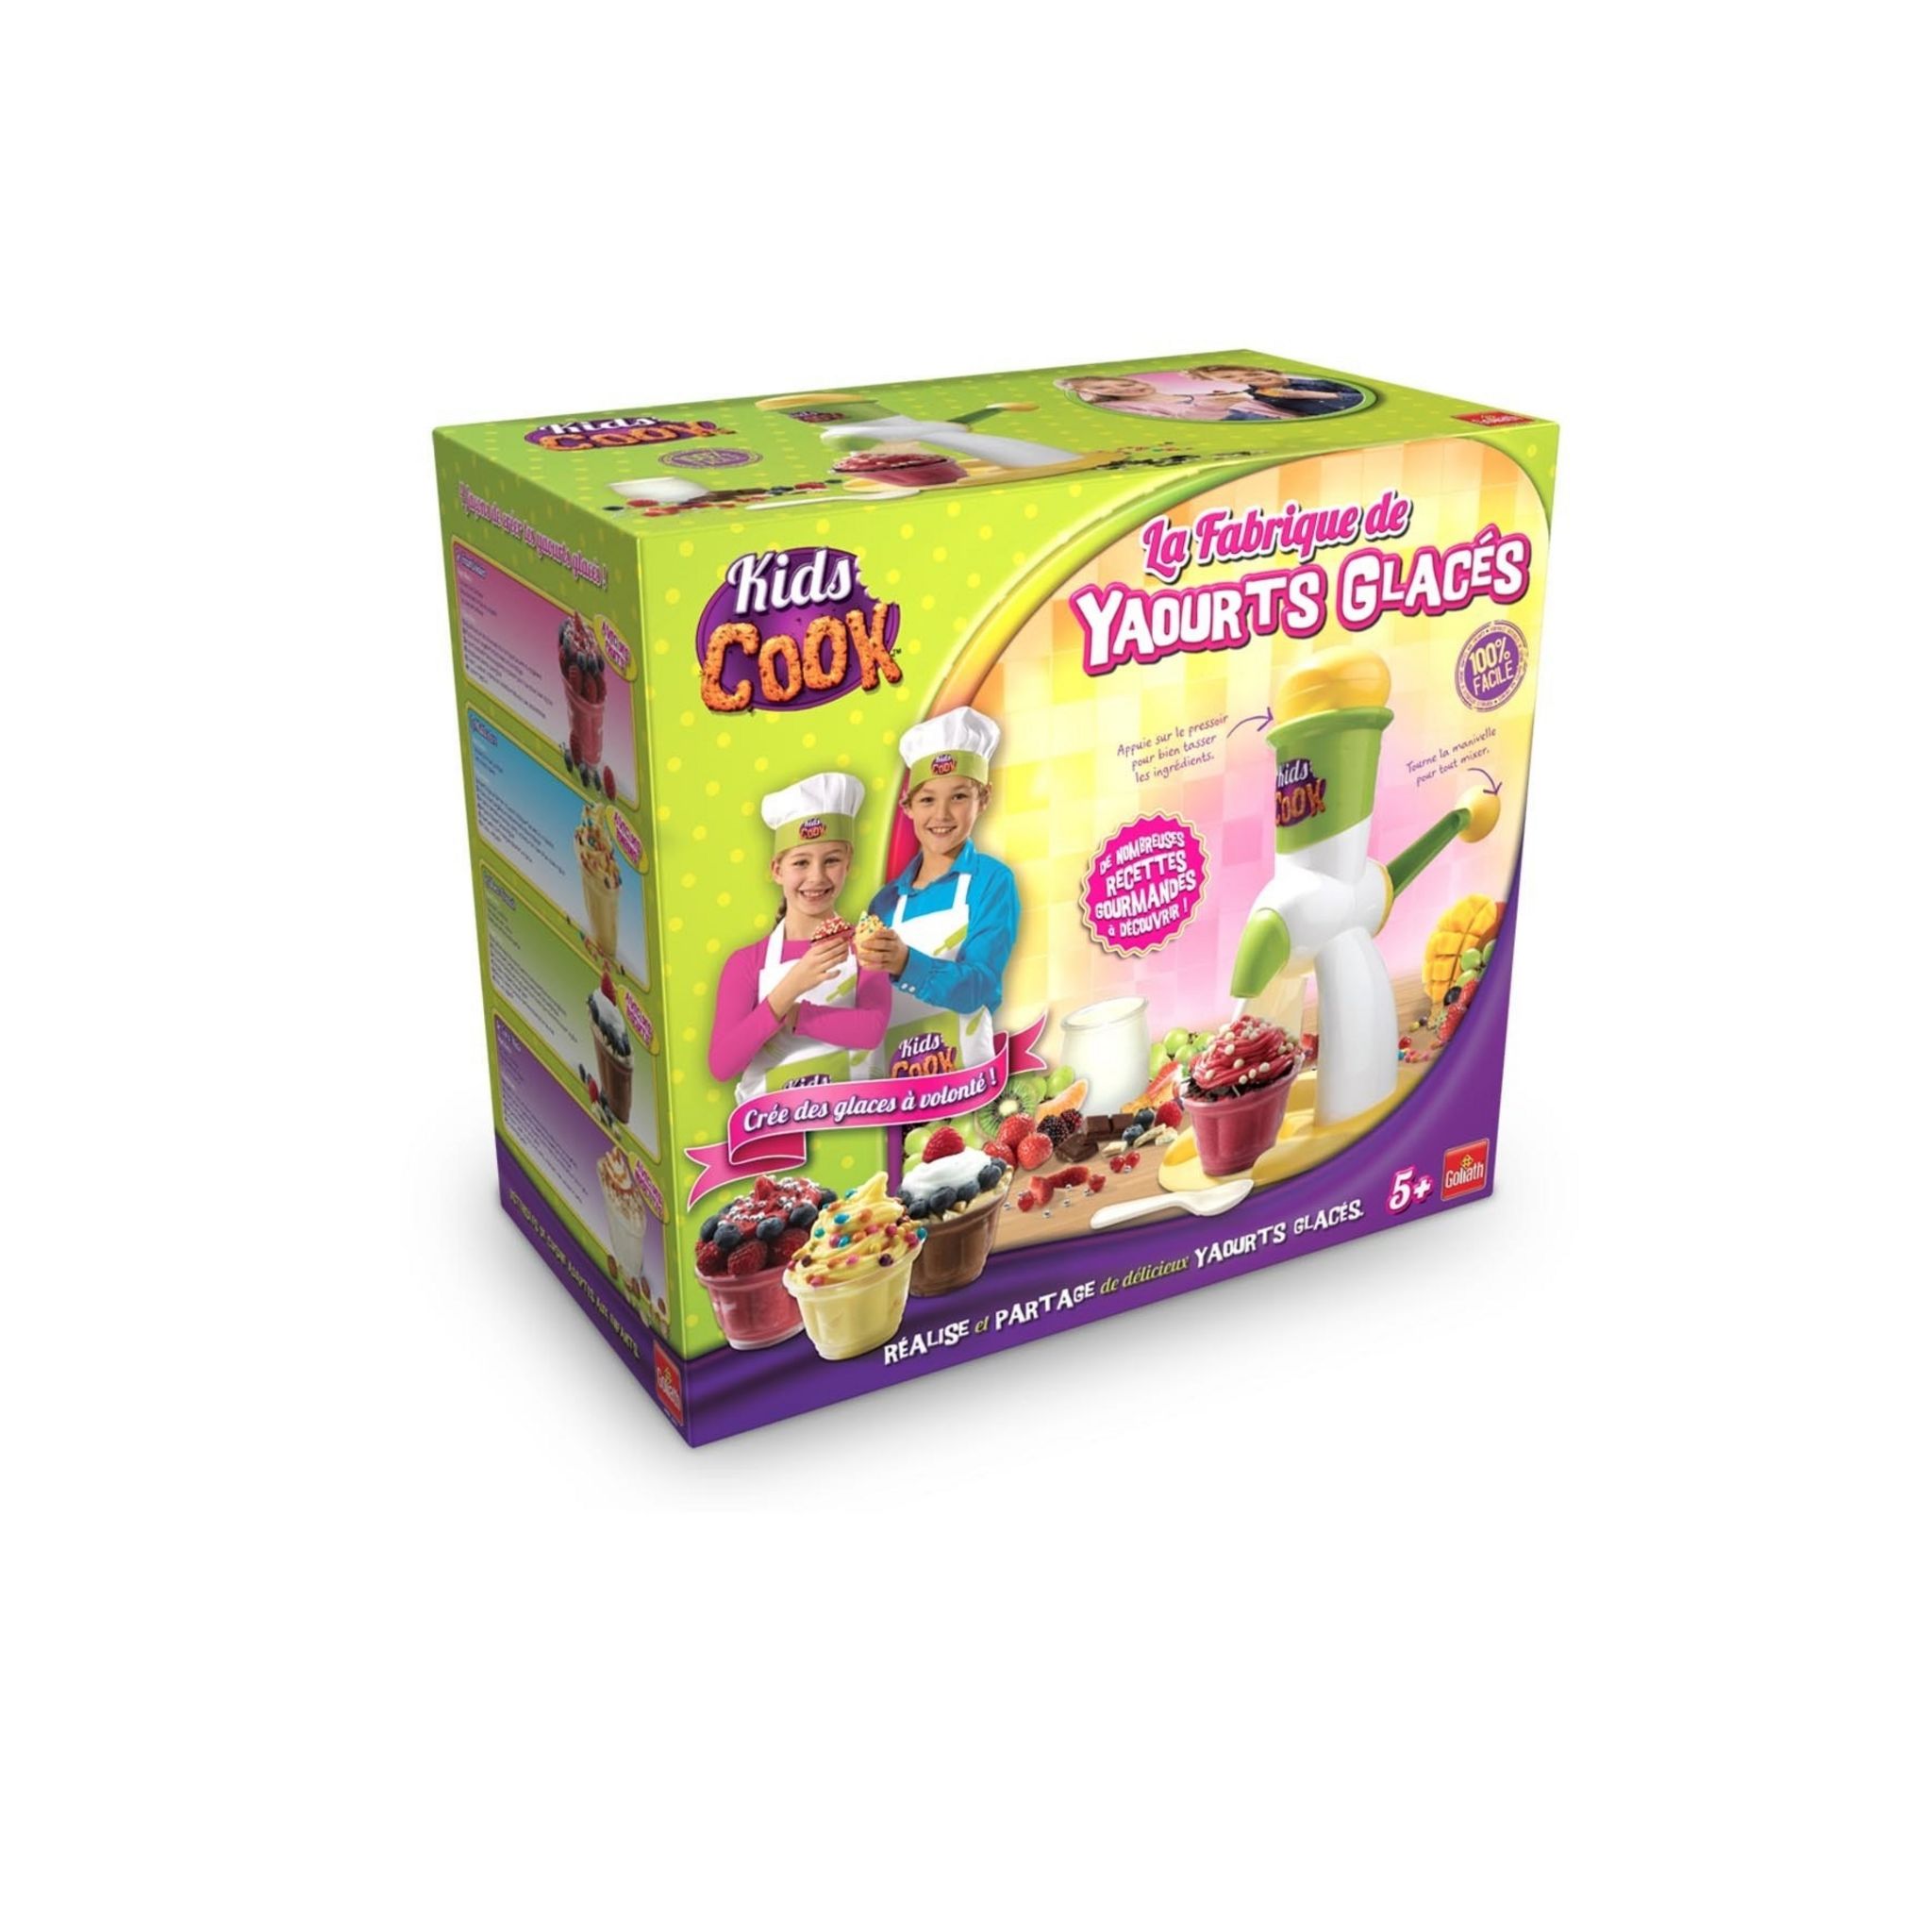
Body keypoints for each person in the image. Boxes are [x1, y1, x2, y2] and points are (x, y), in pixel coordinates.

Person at [708, 774, 890, 1103]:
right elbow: (723, 1065)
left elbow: (872, 1030)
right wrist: (790, 987)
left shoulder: (866, 944)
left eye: (831, 860)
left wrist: (796, 1015)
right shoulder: (746, 963)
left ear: (848, 863)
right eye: (801, 862)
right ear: (777, 870)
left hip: (851, 1116)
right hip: (771, 1123)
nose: (816, 877)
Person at [858, 708, 1018, 1079]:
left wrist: (905, 963)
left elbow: (979, 986)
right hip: (894, 1081)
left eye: (959, 796)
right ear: (907, 806)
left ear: (984, 798)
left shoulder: (991, 881)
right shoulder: (885, 903)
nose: (942, 815)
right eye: (927, 800)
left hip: (964, 1080)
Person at [1186, 363, 1365, 420]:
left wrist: (1317, 395)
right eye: (1230, 378)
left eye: (1251, 373)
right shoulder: (1261, 397)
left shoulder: (1319, 379)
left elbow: (1364, 397)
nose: (1243, 378)